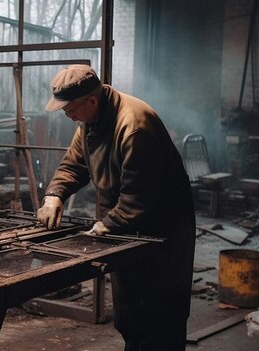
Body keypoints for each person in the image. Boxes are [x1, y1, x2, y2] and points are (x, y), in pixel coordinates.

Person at [37, 65, 195, 351]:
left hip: (162, 230)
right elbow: (75, 164)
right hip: (126, 224)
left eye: (69, 109)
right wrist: (54, 195)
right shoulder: (88, 122)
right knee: (130, 312)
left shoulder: (134, 126)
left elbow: (138, 198)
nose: (67, 115)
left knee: (159, 315)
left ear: (92, 100)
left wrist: (105, 226)